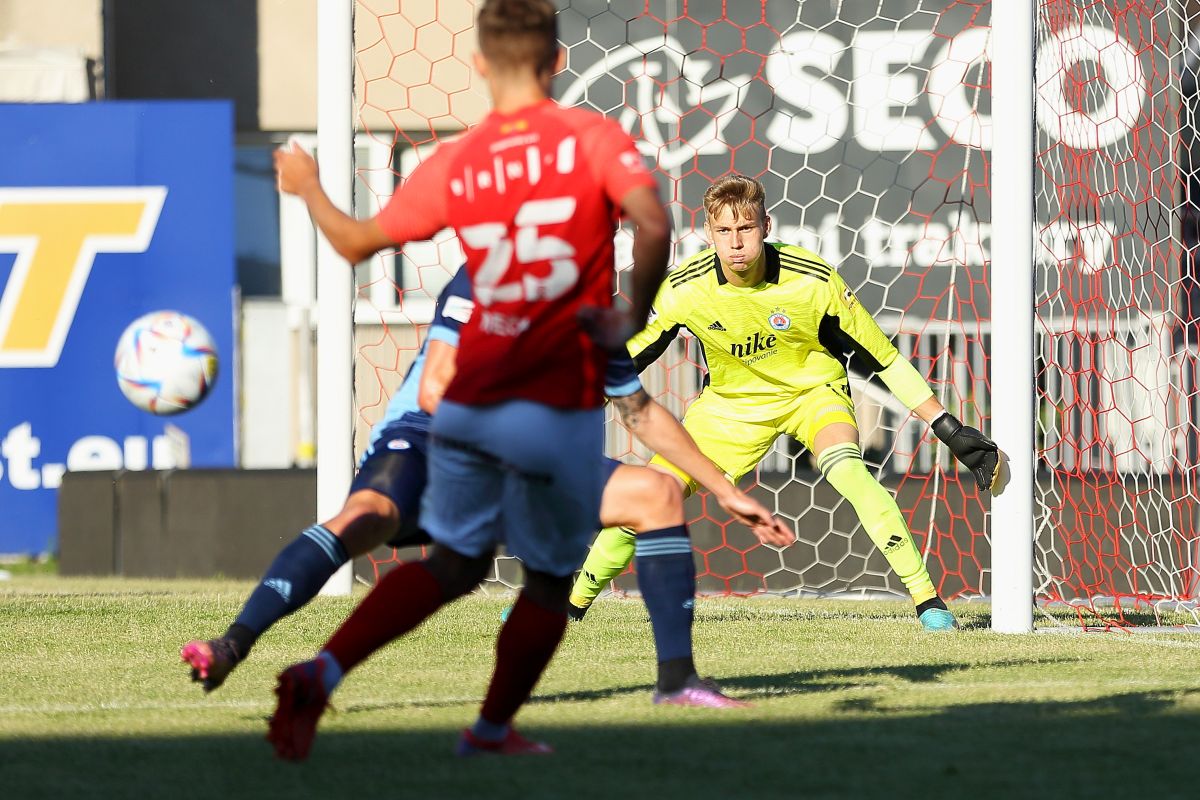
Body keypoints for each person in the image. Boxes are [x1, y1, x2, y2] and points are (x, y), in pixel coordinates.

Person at [263, 0, 681, 759]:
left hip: (468, 393)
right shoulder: (592, 138)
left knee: (454, 564)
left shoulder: (459, 159)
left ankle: (321, 670)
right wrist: (629, 313)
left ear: (480, 63)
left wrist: (309, 186)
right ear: (557, 60)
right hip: (551, 397)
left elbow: (354, 244)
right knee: (548, 579)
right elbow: (654, 224)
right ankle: (489, 730)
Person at [181, 268, 792, 707]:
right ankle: (234, 643)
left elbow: (638, 411)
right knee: (372, 518)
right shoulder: (487, 276)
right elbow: (434, 391)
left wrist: (724, 490)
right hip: (430, 435)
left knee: (654, 495)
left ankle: (676, 681)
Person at [568, 173, 1007, 631]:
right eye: (724, 230)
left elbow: (885, 359)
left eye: (746, 228)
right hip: (731, 408)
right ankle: (572, 607)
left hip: (813, 395)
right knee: (649, 497)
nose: (736, 242)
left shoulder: (813, 279)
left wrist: (946, 427)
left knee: (849, 471)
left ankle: (928, 602)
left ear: (766, 226)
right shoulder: (683, 289)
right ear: (708, 233)